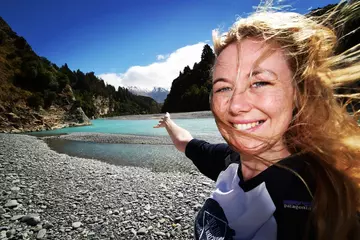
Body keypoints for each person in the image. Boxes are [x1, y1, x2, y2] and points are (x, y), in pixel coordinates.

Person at [154, 3, 360, 240]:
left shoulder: (325, 196)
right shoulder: (229, 162)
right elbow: (186, 142)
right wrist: (168, 122)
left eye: (259, 83)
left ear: (298, 93)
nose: (235, 105)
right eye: (224, 88)